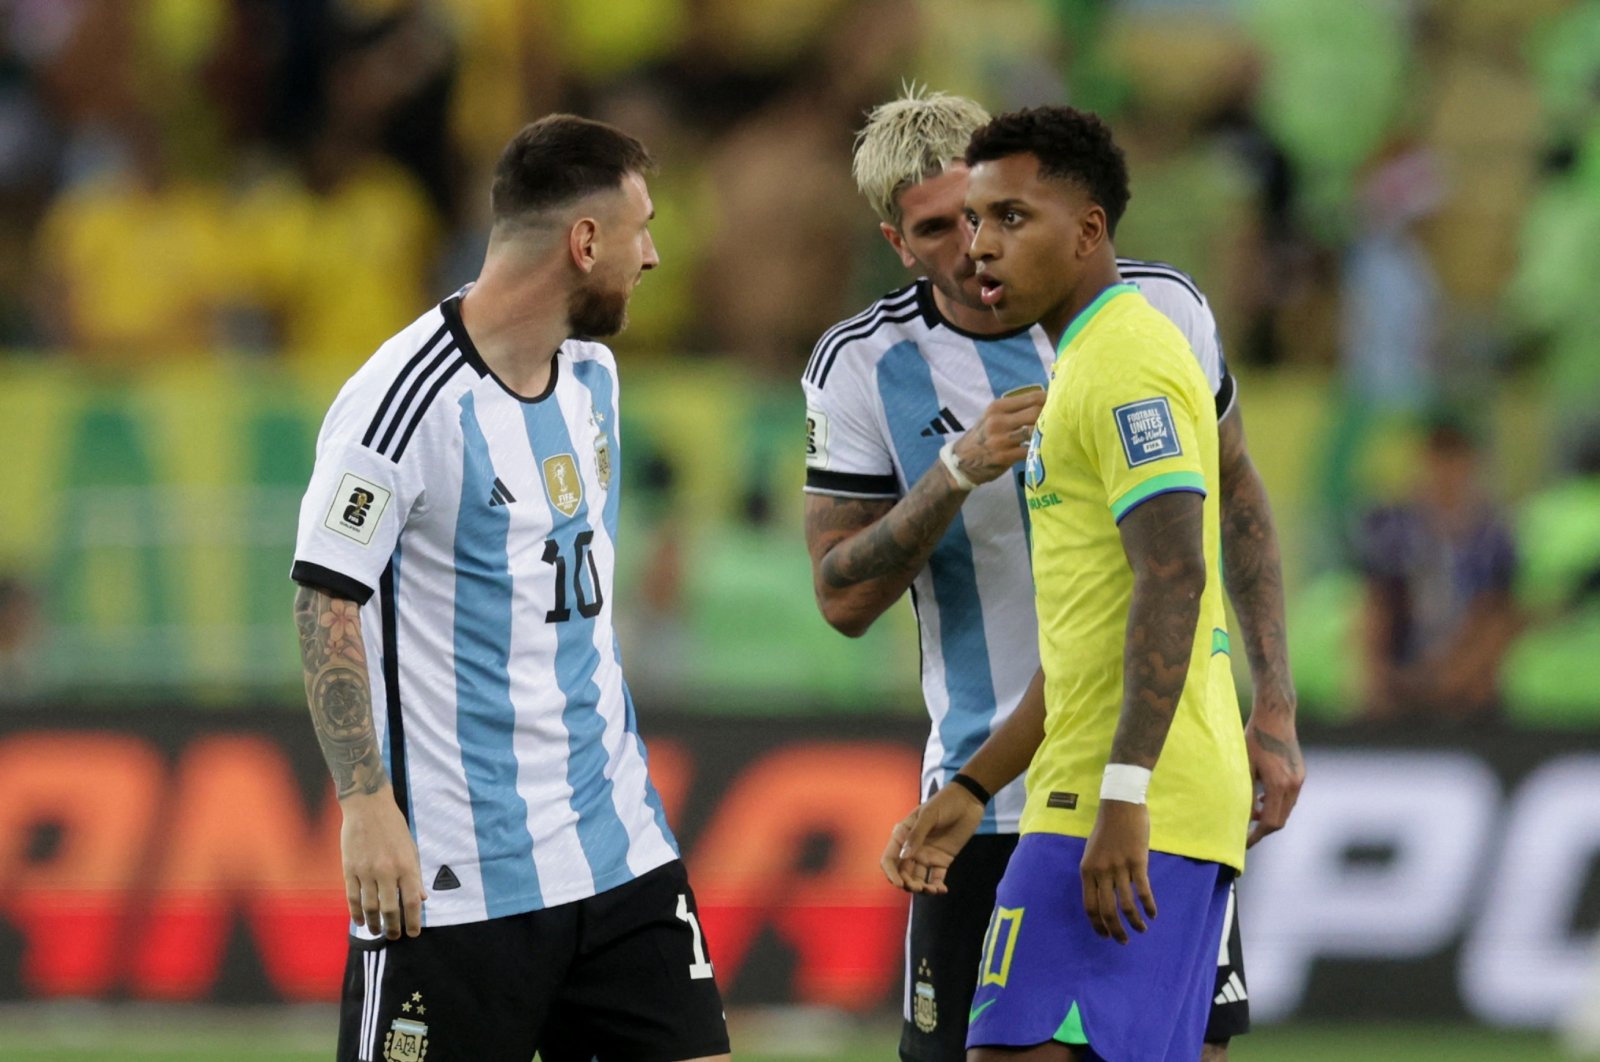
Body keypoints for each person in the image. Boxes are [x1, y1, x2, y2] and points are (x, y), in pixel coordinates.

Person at [803, 89, 1300, 1062]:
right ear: (897, 242)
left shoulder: (1146, 327)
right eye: (942, 228)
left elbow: (1204, 538)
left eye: (993, 215)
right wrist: (952, 474)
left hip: (1141, 775)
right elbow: (842, 597)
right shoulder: (866, 367)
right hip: (1004, 784)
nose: (972, 247)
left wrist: (1270, 707)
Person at [290, 115, 730, 1062]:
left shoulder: (595, 381)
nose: (653, 256)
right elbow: (325, 597)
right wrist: (364, 805)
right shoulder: (400, 401)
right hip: (459, 879)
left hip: (618, 851)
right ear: (584, 242)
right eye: (641, 229)